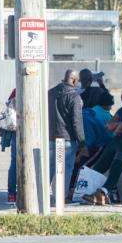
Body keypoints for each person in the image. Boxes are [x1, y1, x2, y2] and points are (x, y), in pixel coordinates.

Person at [83, 87, 122, 205]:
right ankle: (87, 191)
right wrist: (119, 126)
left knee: (117, 165)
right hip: (118, 141)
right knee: (101, 164)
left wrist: (118, 126)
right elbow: (108, 126)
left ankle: (103, 192)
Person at [48, 70, 88, 200]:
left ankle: (40, 195)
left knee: (49, 168)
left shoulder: (50, 93)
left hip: (50, 138)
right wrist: (82, 142)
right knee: (64, 170)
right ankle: (60, 198)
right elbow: (77, 122)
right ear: (74, 80)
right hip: (67, 140)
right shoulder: (74, 97)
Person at [0, 89, 17, 204]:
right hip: (31, 131)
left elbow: (7, 105)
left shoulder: (16, 90)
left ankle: (11, 194)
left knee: (14, 162)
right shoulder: (38, 89)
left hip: (15, 130)